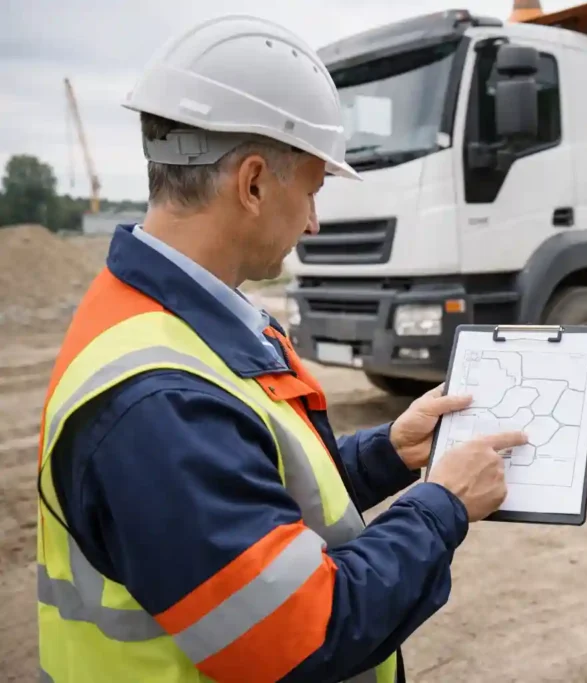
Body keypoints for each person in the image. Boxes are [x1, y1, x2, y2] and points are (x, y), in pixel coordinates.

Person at [35, 15, 527, 683]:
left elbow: (253, 493)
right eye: (315, 189)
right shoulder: (158, 403)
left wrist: (387, 454)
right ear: (255, 182)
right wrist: (441, 503)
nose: (315, 220)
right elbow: (305, 633)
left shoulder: (164, 322)